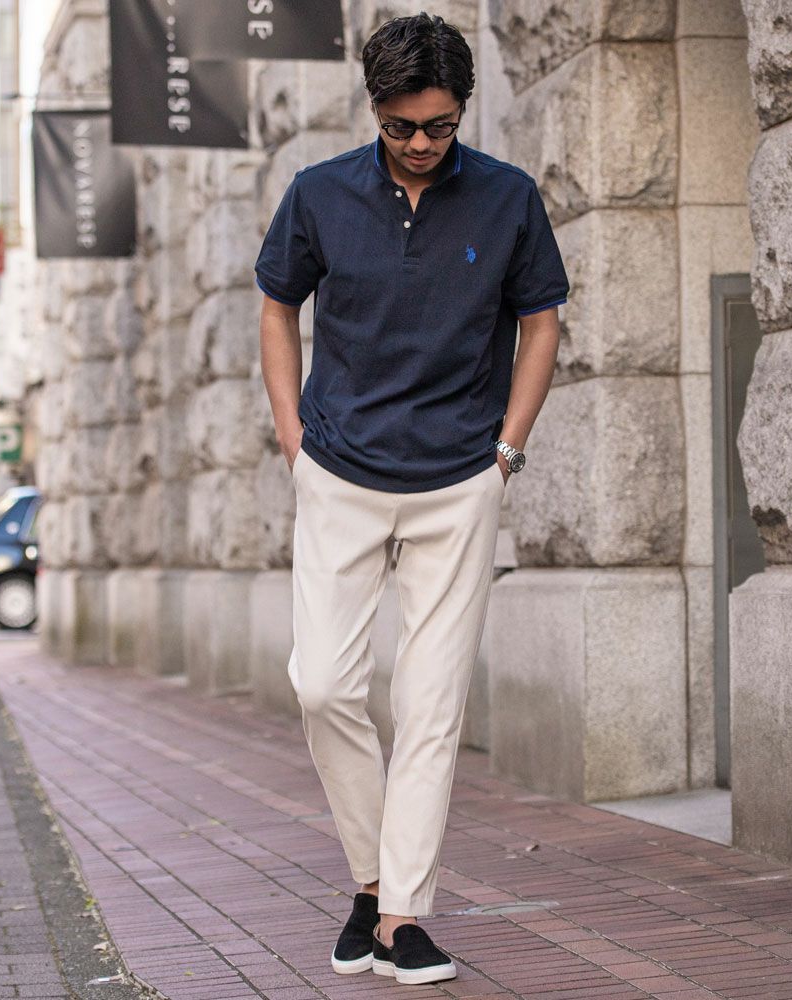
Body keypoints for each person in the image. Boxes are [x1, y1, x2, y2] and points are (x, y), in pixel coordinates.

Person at [255, 11, 568, 986]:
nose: (422, 143)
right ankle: (368, 877)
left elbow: (542, 321)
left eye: (439, 125)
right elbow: (277, 305)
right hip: (339, 472)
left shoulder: (508, 198)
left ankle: (399, 916)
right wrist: (292, 437)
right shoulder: (318, 194)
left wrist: (506, 451)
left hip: (458, 482)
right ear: (374, 109)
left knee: (430, 704)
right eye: (401, 127)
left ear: (461, 110)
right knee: (322, 684)